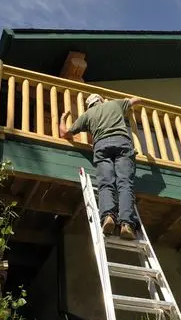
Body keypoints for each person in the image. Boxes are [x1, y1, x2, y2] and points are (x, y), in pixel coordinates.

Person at [59, 93, 143, 240]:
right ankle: (126, 224)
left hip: (101, 146)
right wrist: (130, 105)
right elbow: (137, 100)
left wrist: (62, 118)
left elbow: (65, 133)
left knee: (106, 183)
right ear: (102, 100)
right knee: (124, 183)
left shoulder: (88, 114)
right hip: (122, 142)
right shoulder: (115, 104)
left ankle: (108, 217)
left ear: (89, 105)